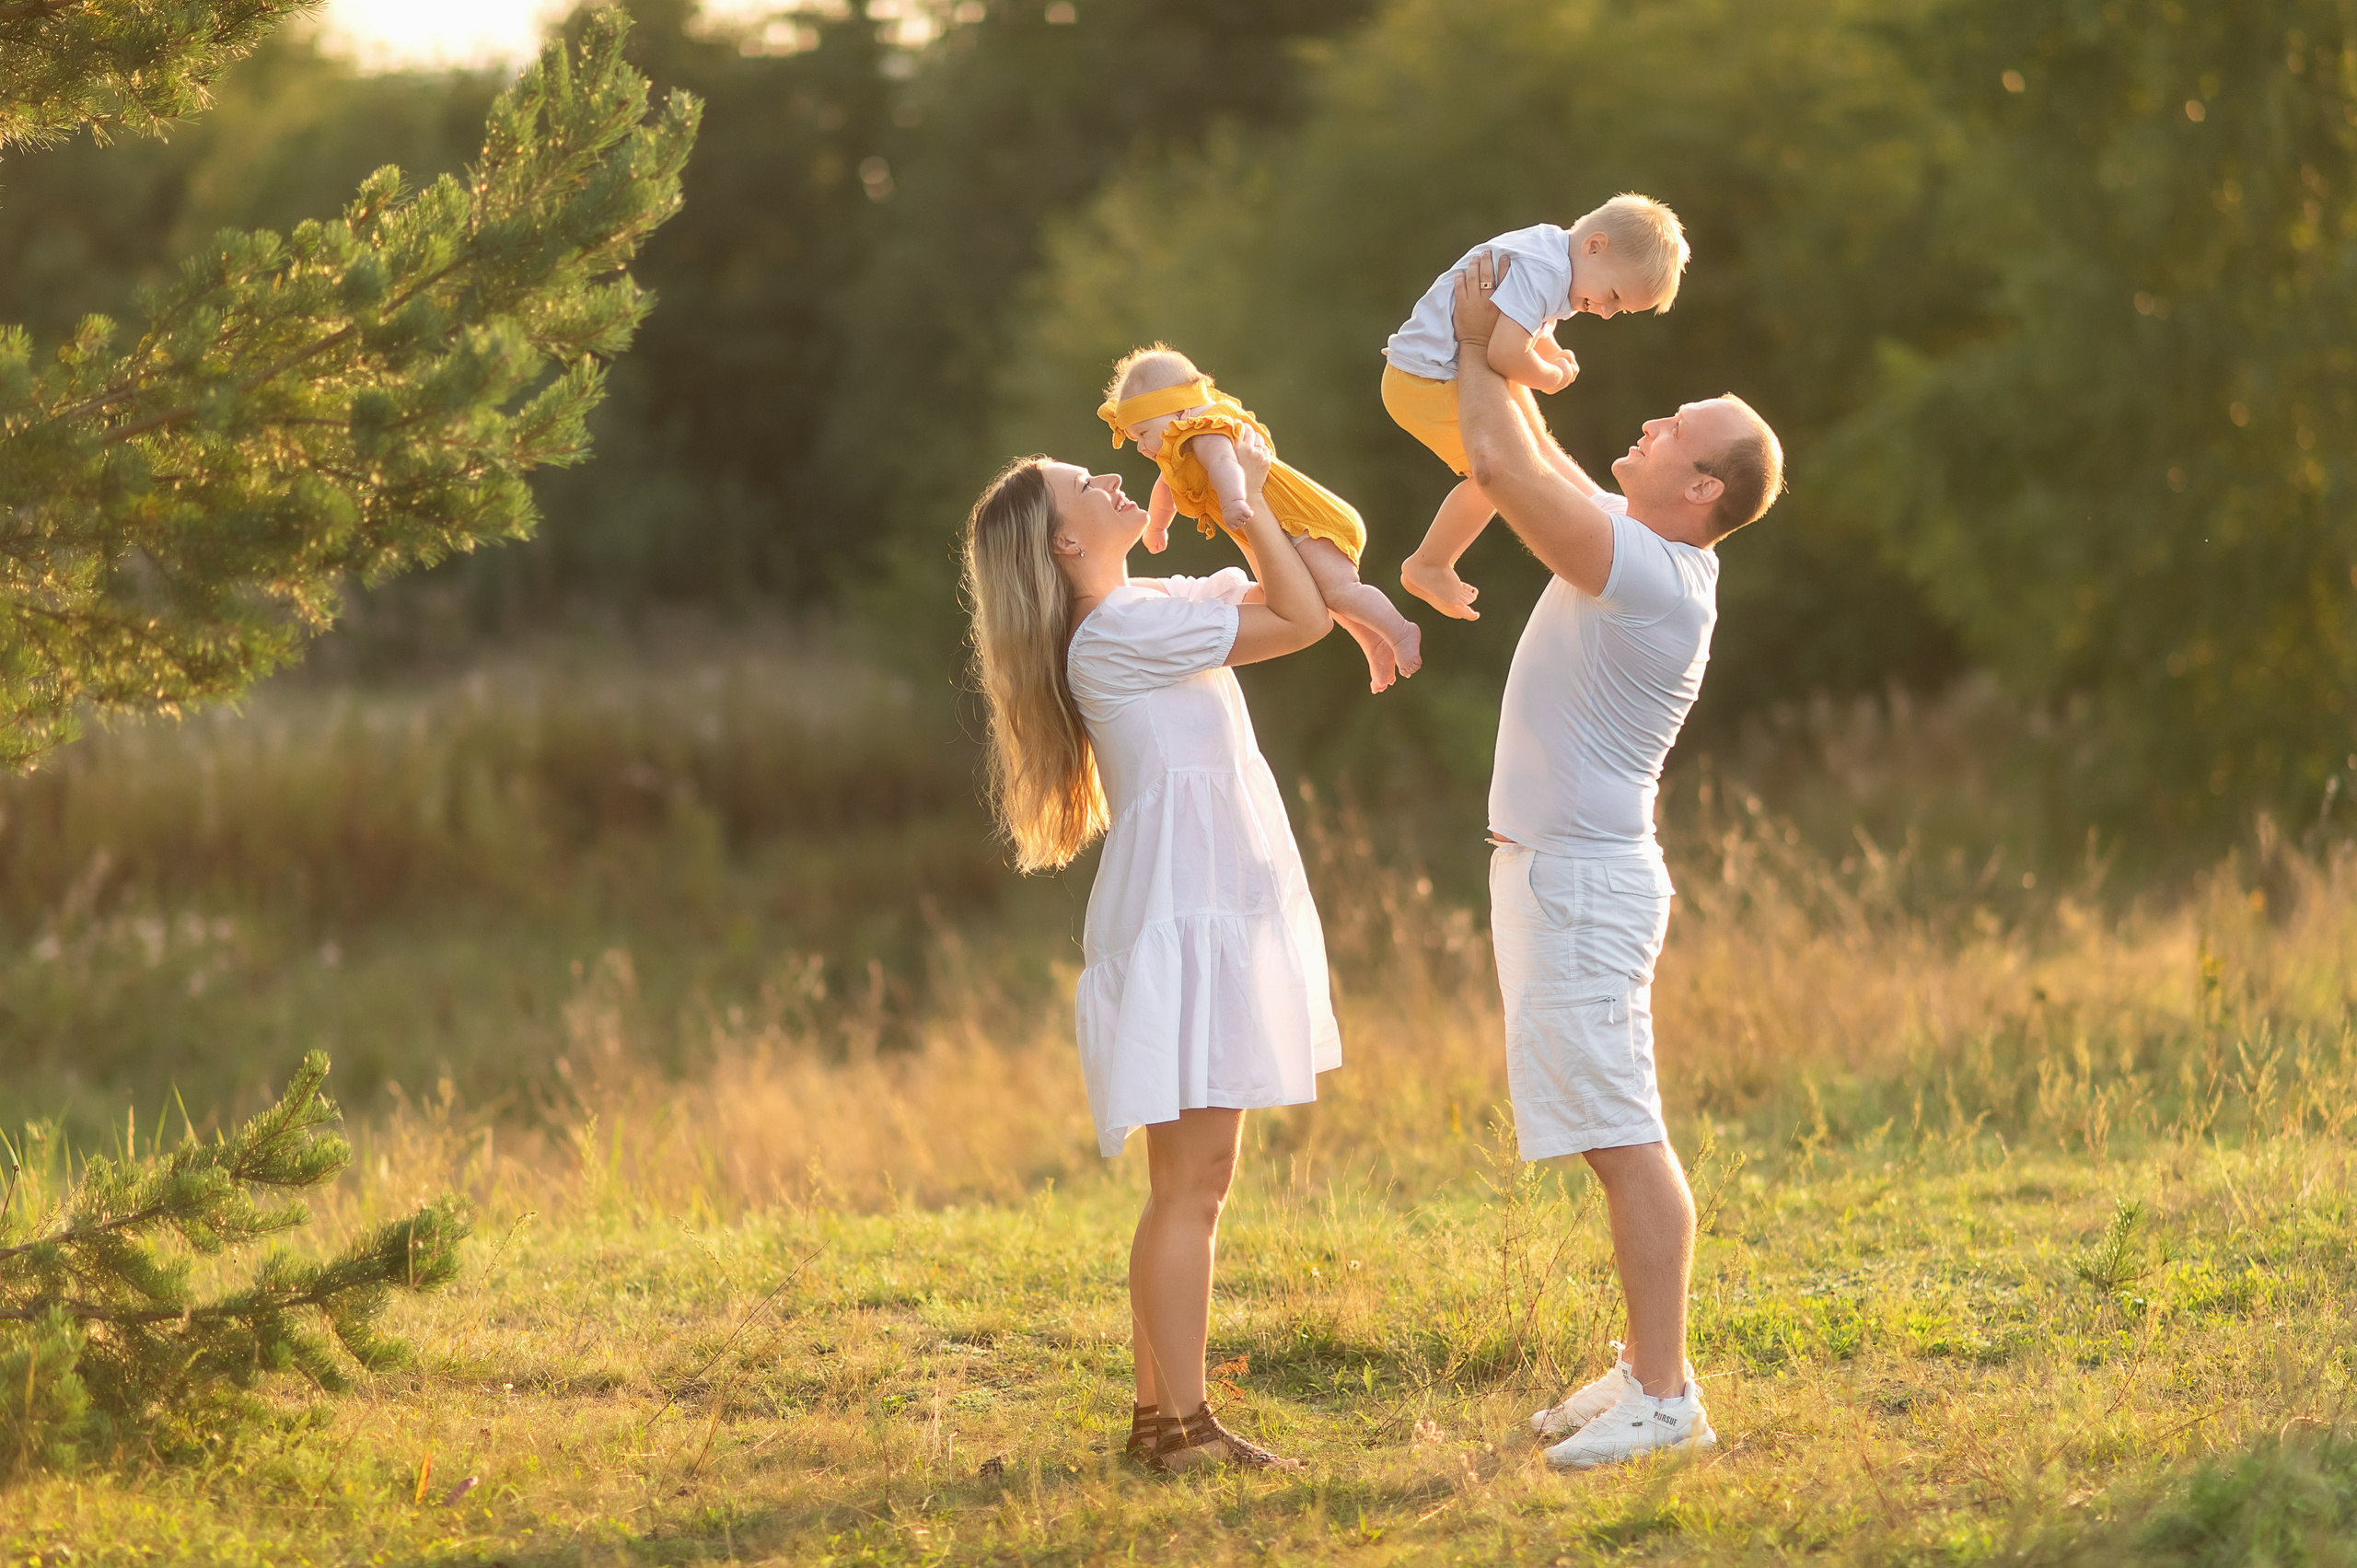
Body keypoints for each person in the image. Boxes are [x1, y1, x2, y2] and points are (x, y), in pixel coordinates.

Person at [1449, 250, 1784, 1470]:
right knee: (1607, 1126)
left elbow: (1497, 461)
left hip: (1583, 884)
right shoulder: (1635, 539)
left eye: (1667, 428)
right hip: (1562, 874)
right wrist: (1499, 339)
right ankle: (1647, 1368)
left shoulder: (1650, 572)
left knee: (1625, 1129)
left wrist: (1481, 339)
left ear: (1699, 485)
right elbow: (1520, 454)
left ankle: (1667, 1393)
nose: (1641, 426)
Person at [959, 427, 1337, 1472]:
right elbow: (1300, 616)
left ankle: (1160, 1420)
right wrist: (1245, 495)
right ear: (1066, 545)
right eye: (1090, 484)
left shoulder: (1144, 610)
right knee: (1195, 1184)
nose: (1113, 478)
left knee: (1190, 1182)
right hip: (1186, 914)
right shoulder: (1117, 627)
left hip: (1197, 905)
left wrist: (1220, 486)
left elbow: (1302, 583)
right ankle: (1184, 1426)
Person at [1383, 194, 1689, 623]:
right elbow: (1506, 353)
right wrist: (1546, 376)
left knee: (1528, 448)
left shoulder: (1553, 254)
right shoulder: (1547, 271)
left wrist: (1552, 349)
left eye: (1619, 309)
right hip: (1426, 380)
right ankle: (1429, 563)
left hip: (1426, 373)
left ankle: (1435, 560)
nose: (1605, 313)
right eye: (1614, 296)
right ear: (1595, 245)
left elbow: (1525, 322)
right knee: (1498, 473)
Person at [1101, 343, 1422, 693]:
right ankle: (1373, 643)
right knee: (1323, 598)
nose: (1140, 446)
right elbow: (1166, 490)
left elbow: (1225, 464)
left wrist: (1236, 499)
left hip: (1301, 521)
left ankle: (1400, 630)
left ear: (1177, 411)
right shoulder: (1182, 450)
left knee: (1341, 590)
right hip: (1282, 532)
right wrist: (1158, 526)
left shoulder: (1204, 431)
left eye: (1143, 434)